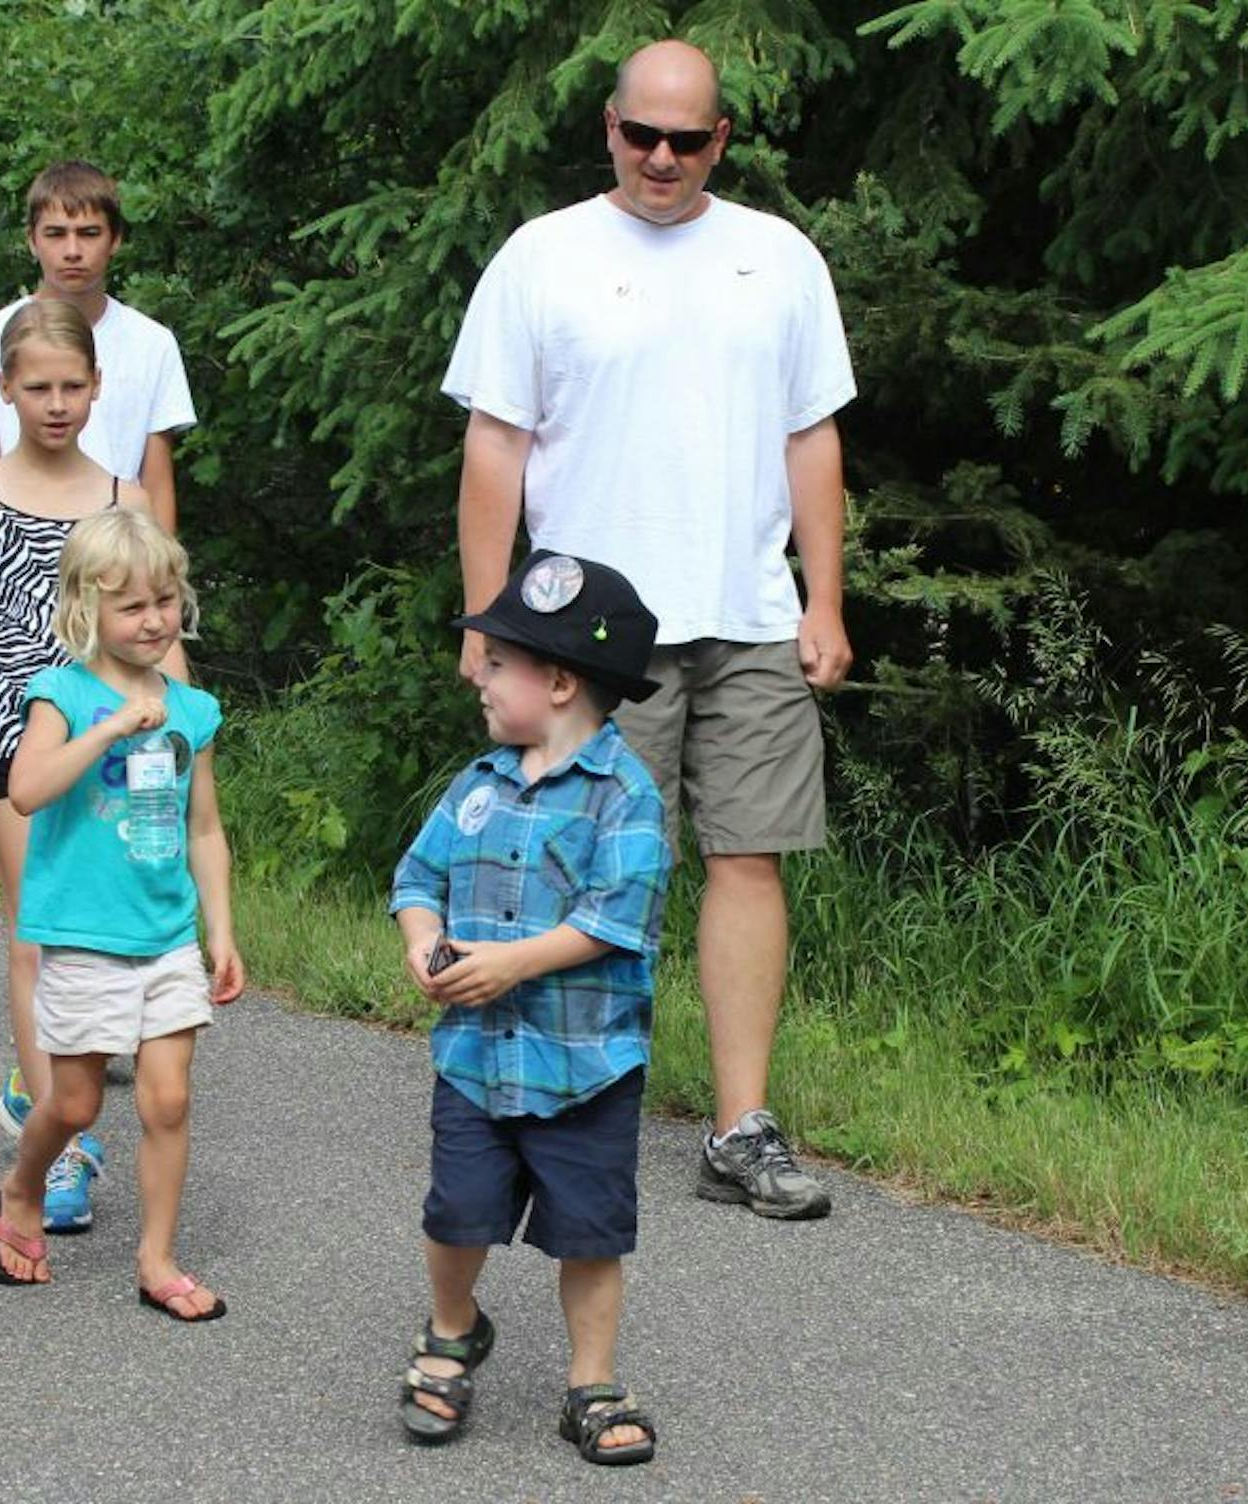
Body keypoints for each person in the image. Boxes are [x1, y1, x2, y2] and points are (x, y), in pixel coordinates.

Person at [444, 39, 855, 1219]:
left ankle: (740, 1128)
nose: (661, 158)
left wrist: (824, 599)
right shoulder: (544, 256)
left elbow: (812, 435)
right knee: (578, 861)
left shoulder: (779, 258)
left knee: (749, 856)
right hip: (588, 630)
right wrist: (488, 617)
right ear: (609, 129)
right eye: (641, 135)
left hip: (749, 611)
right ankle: (547, 1106)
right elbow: (496, 444)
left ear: (720, 139)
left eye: (686, 139)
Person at [390, 551, 670, 1463]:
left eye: (499, 661)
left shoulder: (624, 796)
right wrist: (423, 941)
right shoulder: (475, 785)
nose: (479, 673)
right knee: (456, 1212)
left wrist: (512, 963)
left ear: (558, 682)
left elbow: (616, 918)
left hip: (586, 1067)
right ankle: (452, 1329)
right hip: (475, 1060)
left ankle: (592, 1383)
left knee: (590, 1234)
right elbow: (417, 877)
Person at [0, 301, 180, 1234]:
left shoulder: (125, 499)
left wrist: (187, 731)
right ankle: (62, 1138)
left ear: (99, 386)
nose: (58, 403)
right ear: (5, 389)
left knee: (104, 932)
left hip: (118, 745)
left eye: (73, 385)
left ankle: (50, 1092)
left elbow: (161, 625)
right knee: (37, 932)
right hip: (14, 737)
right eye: (38, 387)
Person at [0, 508, 242, 1319]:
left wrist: (221, 930)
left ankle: (157, 1259)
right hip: (84, 932)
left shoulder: (193, 710)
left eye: (164, 601)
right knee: (77, 1103)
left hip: (167, 933)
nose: (153, 620)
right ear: (86, 608)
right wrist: (112, 727)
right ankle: (20, 1190)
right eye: (132, 606)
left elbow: (205, 827)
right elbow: (27, 789)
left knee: (168, 1100)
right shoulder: (61, 694)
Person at [0, 161, 194, 530]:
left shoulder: (153, 343)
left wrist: (163, 563)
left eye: (89, 233)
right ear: (32, 240)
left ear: (115, 239)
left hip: (120, 548)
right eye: (56, 234)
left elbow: (157, 484)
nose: (73, 250)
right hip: (17, 547)